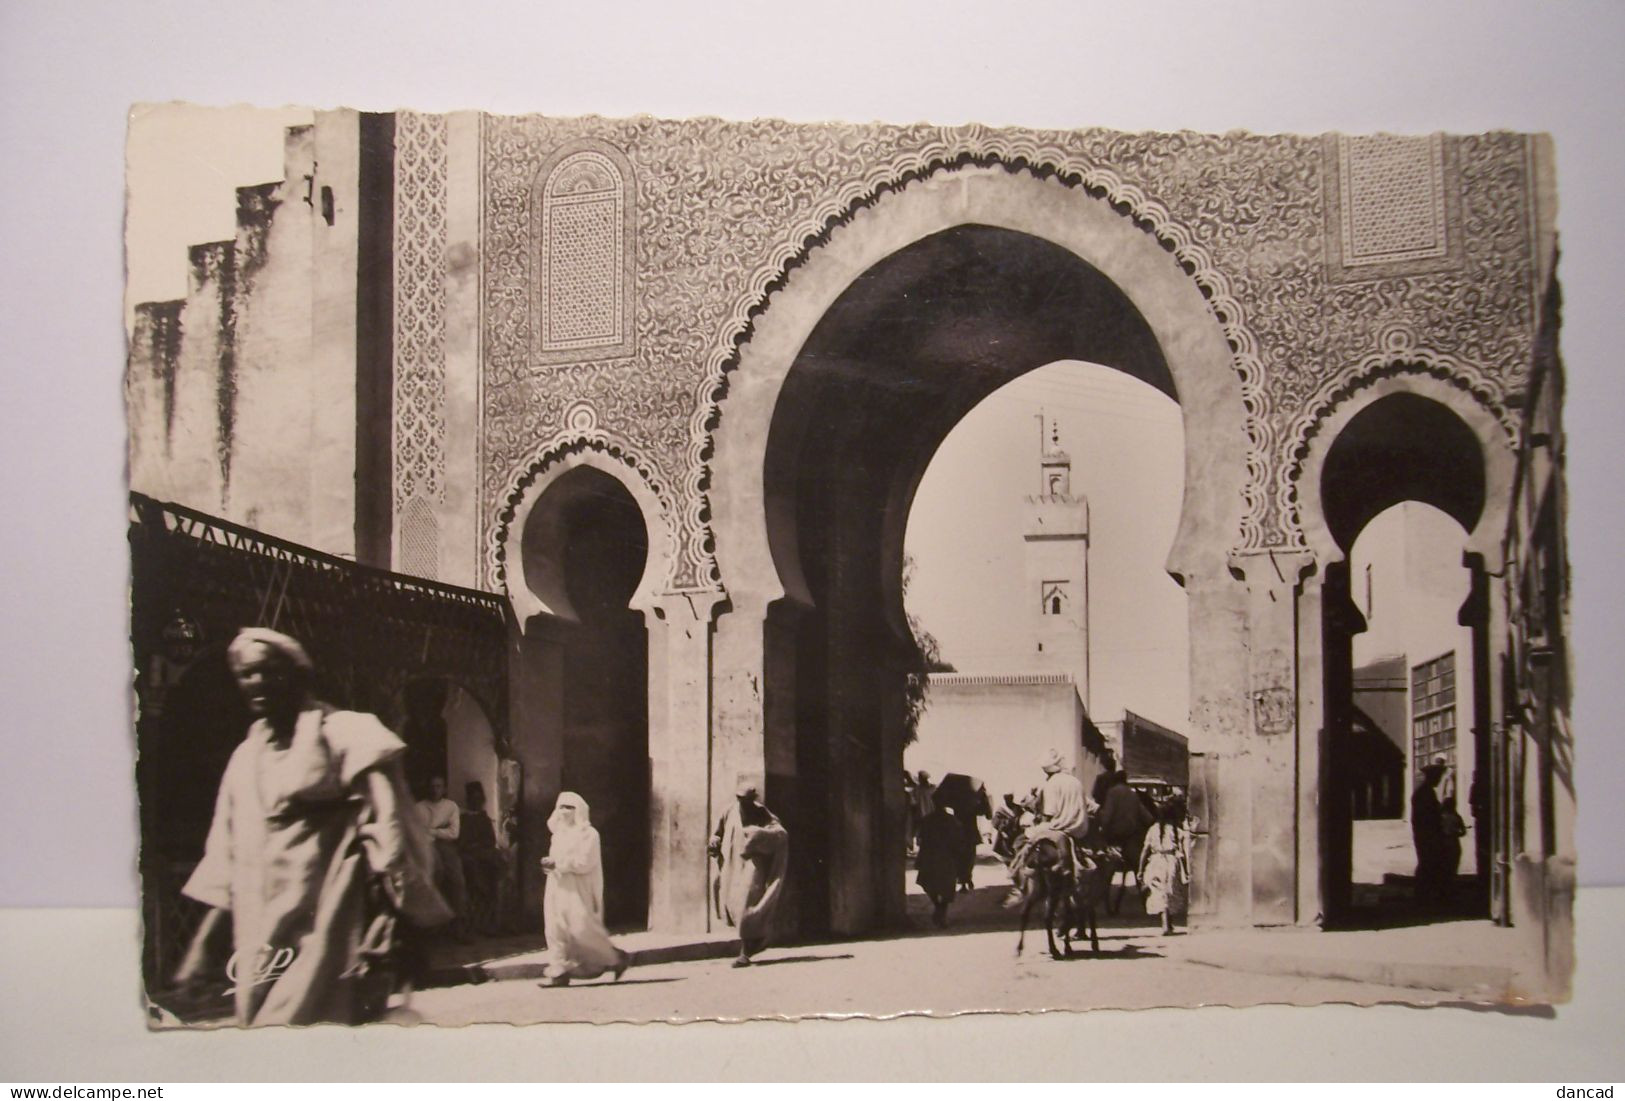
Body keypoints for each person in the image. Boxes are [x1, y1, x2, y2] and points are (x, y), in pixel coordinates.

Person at [173, 628, 450, 1026]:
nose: (259, 683)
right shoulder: (244, 761)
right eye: (248, 674)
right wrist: (201, 949)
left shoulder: (346, 736)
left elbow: (394, 834)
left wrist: (404, 922)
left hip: (331, 930)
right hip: (260, 940)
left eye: (270, 671)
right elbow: (226, 863)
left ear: (299, 676)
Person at [539, 792, 629, 986]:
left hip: (578, 888)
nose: (564, 812)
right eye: (561, 807)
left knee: (581, 928)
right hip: (557, 886)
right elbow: (555, 859)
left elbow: (585, 862)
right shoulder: (558, 834)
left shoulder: (589, 835)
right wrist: (549, 864)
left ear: (578, 810)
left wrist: (560, 863)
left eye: (569, 807)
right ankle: (558, 972)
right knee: (555, 928)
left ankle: (615, 958)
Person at [710, 780, 790, 967]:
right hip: (732, 867)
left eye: (747, 799)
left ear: (753, 799)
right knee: (735, 907)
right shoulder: (729, 811)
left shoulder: (761, 812)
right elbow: (717, 833)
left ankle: (744, 953)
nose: (743, 802)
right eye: (740, 799)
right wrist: (714, 840)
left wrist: (759, 835)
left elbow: (780, 832)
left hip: (753, 867)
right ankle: (757, 942)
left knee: (747, 907)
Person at [416, 776, 469, 941]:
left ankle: (459, 927)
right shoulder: (418, 808)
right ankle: (430, 929)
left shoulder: (450, 806)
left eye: (439, 786)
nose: (435, 789)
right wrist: (439, 830)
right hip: (425, 848)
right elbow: (417, 833)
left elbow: (454, 833)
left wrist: (431, 831)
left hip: (446, 848)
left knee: (457, 881)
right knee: (432, 879)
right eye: (432, 786)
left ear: (444, 788)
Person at [1138, 799, 1189, 935]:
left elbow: (1145, 850)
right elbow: (1184, 852)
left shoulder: (1153, 829)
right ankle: (1168, 924)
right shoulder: (1177, 831)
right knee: (1170, 892)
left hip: (1156, 861)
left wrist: (1140, 869)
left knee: (1160, 892)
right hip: (1172, 861)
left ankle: (1165, 924)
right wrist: (1186, 870)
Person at [458, 781, 503, 935]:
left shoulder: (485, 819)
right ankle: (472, 926)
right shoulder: (462, 819)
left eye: (479, 798)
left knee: (496, 872)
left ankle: (494, 923)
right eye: (473, 798)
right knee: (473, 873)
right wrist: (473, 846)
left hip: (485, 855)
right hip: (470, 856)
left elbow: (490, 840)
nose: (476, 801)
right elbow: (461, 841)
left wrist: (481, 846)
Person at [914, 804, 963, 928]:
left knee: (936, 885)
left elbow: (920, 839)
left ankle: (939, 908)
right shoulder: (948, 820)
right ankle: (940, 908)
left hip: (937, 857)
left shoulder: (933, 820)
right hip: (940, 857)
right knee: (939, 885)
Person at [1411, 760, 1448, 907]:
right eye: (1437, 777)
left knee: (1428, 863)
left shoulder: (1425, 791)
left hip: (1426, 834)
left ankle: (1425, 896)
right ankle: (1423, 897)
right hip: (1426, 834)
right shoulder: (1425, 793)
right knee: (1427, 863)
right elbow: (1426, 816)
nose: (1439, 781)